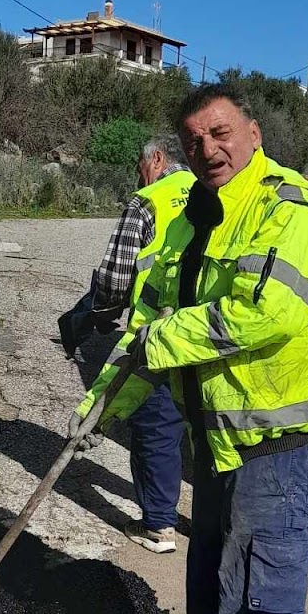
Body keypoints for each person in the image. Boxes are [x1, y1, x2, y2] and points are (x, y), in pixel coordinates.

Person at [74, 84, 308, 614]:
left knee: (263, 592)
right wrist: (105, 404)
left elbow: (267, 314)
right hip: (219, 444)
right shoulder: (198, 216)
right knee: (210, 586)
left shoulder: (289, 212)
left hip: (275, 447)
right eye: (196, 140)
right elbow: (151, 325)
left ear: (254, 134)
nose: (209, 149)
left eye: (221, 132)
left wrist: (161, 338)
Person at [61, 135, 194, 553]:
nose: (140, 174)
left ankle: (158, 526)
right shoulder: (211, 188)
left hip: (159, 333)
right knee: (207, 434)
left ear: (156, 159)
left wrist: (96, 313)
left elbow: (117, 277)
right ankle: (214, 527)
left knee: (157, 425)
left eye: (141, 166)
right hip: (210, 332)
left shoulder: (148, 200)